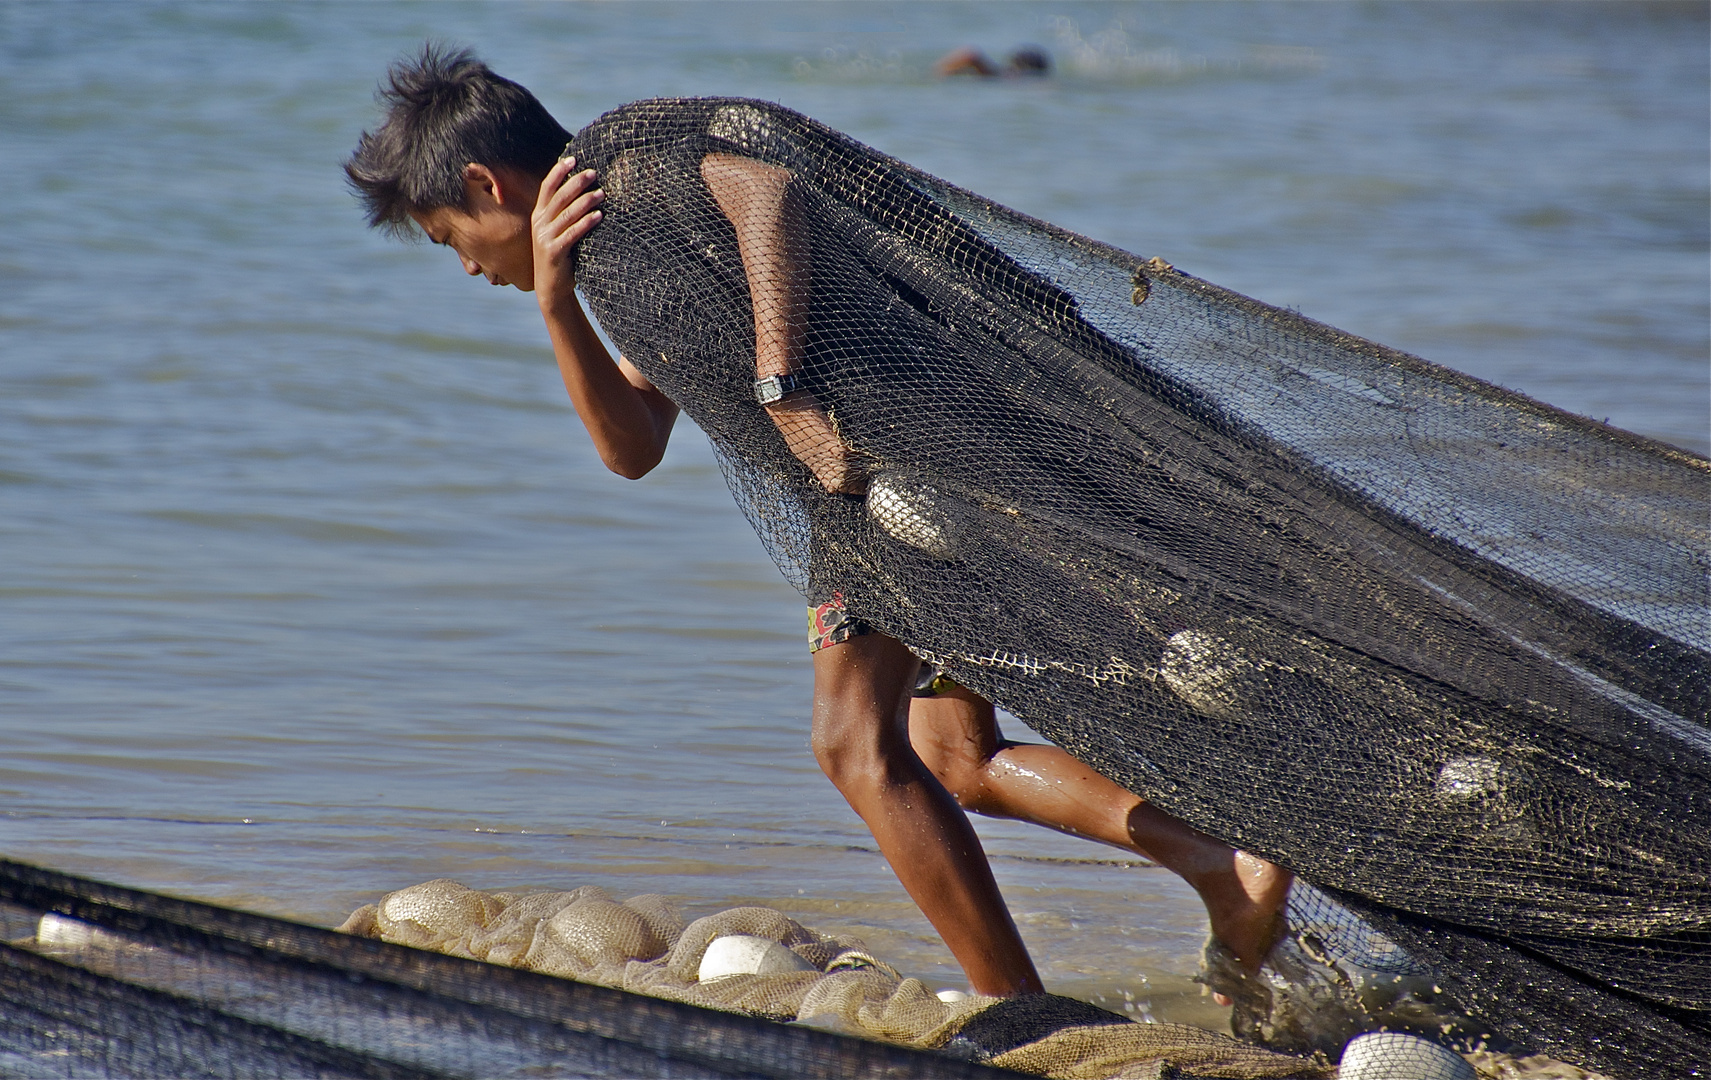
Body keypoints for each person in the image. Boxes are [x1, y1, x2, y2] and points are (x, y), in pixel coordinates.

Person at [344, 45, 1288, 1000]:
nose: (465, 266)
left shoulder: (627, 168)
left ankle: (1018, 1012)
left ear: (483, 183)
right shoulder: (610, 262)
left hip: (898, 471)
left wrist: (782, 384)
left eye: (447, 238)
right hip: (922, 479)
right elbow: (630, 447)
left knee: (852, 744)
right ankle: (1217, 866)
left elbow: (767, 194)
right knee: (956, 761)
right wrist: (556, 305)